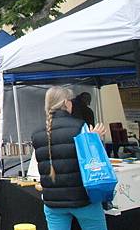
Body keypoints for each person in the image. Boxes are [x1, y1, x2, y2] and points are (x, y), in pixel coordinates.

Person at [31, 86, 107, 230]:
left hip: (53, 200)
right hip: (82, 199)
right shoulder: (79, 126)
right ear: (66, 102)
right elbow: (93, 161)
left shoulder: (37, 133)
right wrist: (93, 139)